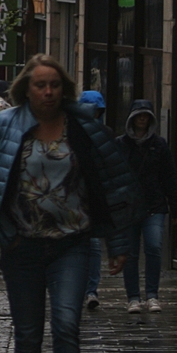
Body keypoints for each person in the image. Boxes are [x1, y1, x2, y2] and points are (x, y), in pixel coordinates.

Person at [0, 55, 142, 353]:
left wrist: (118, 243)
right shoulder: (5, 126)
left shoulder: (83, 127)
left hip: (72, 244)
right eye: (40, 85)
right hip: (22, 246)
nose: (48, 92)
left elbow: (112, 184)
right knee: (28, 337)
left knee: (66, 328)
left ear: (64, 89)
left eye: (54, 85)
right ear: (26, 89)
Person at [119, 98, 177, 313]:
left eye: (146, 115)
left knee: (154, 247)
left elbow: (169, 177)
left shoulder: (159, 145)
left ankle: (152, 295)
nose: (142, 119)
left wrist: (175, 208)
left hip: (154, 205)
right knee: (131, 253)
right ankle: (133, 297)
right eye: (139, 115)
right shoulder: (121, 145)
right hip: (129, 207)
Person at [77, 90, 108, 309]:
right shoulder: (71, 132)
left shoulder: (104, 134)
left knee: (94, 245)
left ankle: (90, 290)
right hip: (74, 199)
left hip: (93, 198)